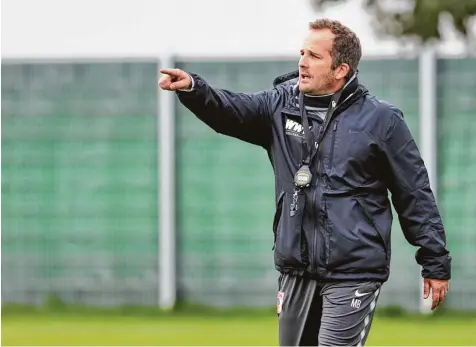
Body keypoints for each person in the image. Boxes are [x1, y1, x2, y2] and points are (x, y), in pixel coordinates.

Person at [159, 18, 451, 347]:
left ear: (341, 69)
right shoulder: (279, 106)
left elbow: (414, 194)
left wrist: (434, 260)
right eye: (302, 52)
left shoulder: (382, 120)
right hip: (296, 271)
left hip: (353, 271)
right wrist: (194, 90)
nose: (302, 61)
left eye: (314, 55)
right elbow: (231, 109)